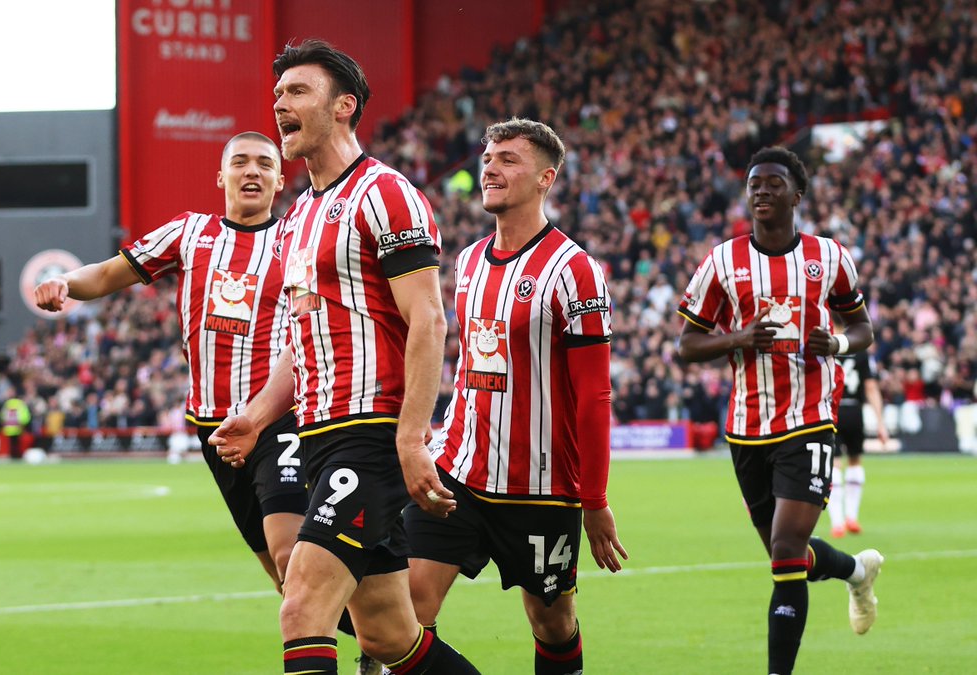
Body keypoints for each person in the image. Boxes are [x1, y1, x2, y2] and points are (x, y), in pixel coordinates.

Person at [211, 39, 479, 674]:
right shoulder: (298, 215)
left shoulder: (386, 194)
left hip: (370, 434)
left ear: (344, 107)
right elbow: (299, 344)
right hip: (318, 436)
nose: (280, 104)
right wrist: (255, 415)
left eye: (297, 91)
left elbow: (429, 319)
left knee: (302, 603)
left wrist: (411, 439)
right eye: (278, 94)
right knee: (388, 635)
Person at [34, 132, 310, 595]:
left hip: (278, 418)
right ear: (220, 176)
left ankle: (359, 654)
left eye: (264, 163)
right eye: (240, 162)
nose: (252, 171)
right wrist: (64, 280)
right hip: (211, 425)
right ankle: (376, 634)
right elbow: (104, 275)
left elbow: (307, 325)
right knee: (282, 575)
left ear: (280, 179)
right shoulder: (189, 233)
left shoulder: (295, 243)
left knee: (291, 553)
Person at [403, 118, 628, 675]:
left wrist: (594, 500)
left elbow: (594, 396)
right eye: (488, 156)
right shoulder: (469, 262)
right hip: (455, 470)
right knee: (405, 610)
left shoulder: (575, 271)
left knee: (550, 620)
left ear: (546, 178)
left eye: (508, 159)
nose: (491, 167)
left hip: (540, 487)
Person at [676, 147, 885, 675]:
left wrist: (834, 345)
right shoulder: (722, 261)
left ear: (797, 195)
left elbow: (863, 330)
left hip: (810, 415)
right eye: (754, 184)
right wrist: (739, 337)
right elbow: (686, 344)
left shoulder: (830, 257)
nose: (762, 191)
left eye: (773, 183)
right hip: (747, 426)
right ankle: (857, 572)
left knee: (788, 546)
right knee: (785, 554)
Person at [827, 349, 889, 538]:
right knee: (855, 461)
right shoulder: (860, 352)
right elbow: (871, 387)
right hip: (855, 411)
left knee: (835, 465)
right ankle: (851, 517)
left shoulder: (827, 347)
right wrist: (880, 422)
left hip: (831, 409)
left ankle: (837, 523)